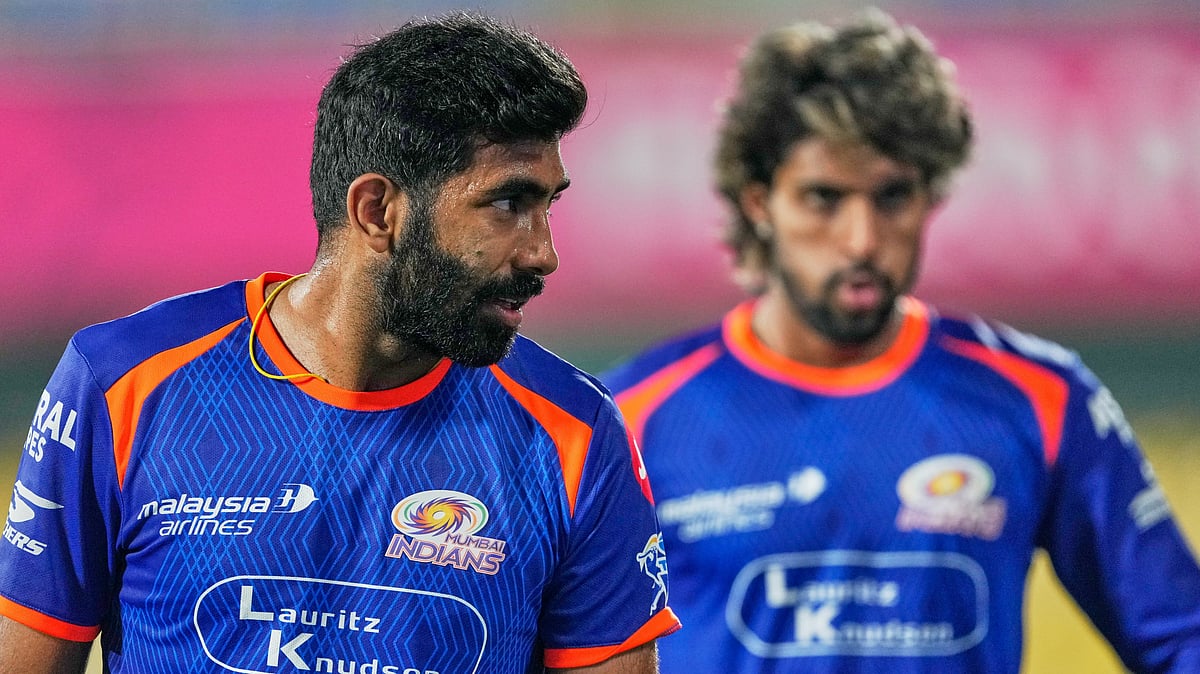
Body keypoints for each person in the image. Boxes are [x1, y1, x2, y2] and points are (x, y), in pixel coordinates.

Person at [0, 12, 679, 674]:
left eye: (548, 206)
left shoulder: (576, 434)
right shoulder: (122, 384)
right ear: (376, 211)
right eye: (508, 205)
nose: (543, 253)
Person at [602, 9, 1200, 673]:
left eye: (891, 197)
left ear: (930, 197)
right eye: (824, 198)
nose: (861, 240)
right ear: (758, 202)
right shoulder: (628, 420)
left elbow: (1180, 637)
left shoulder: (1043, 401)